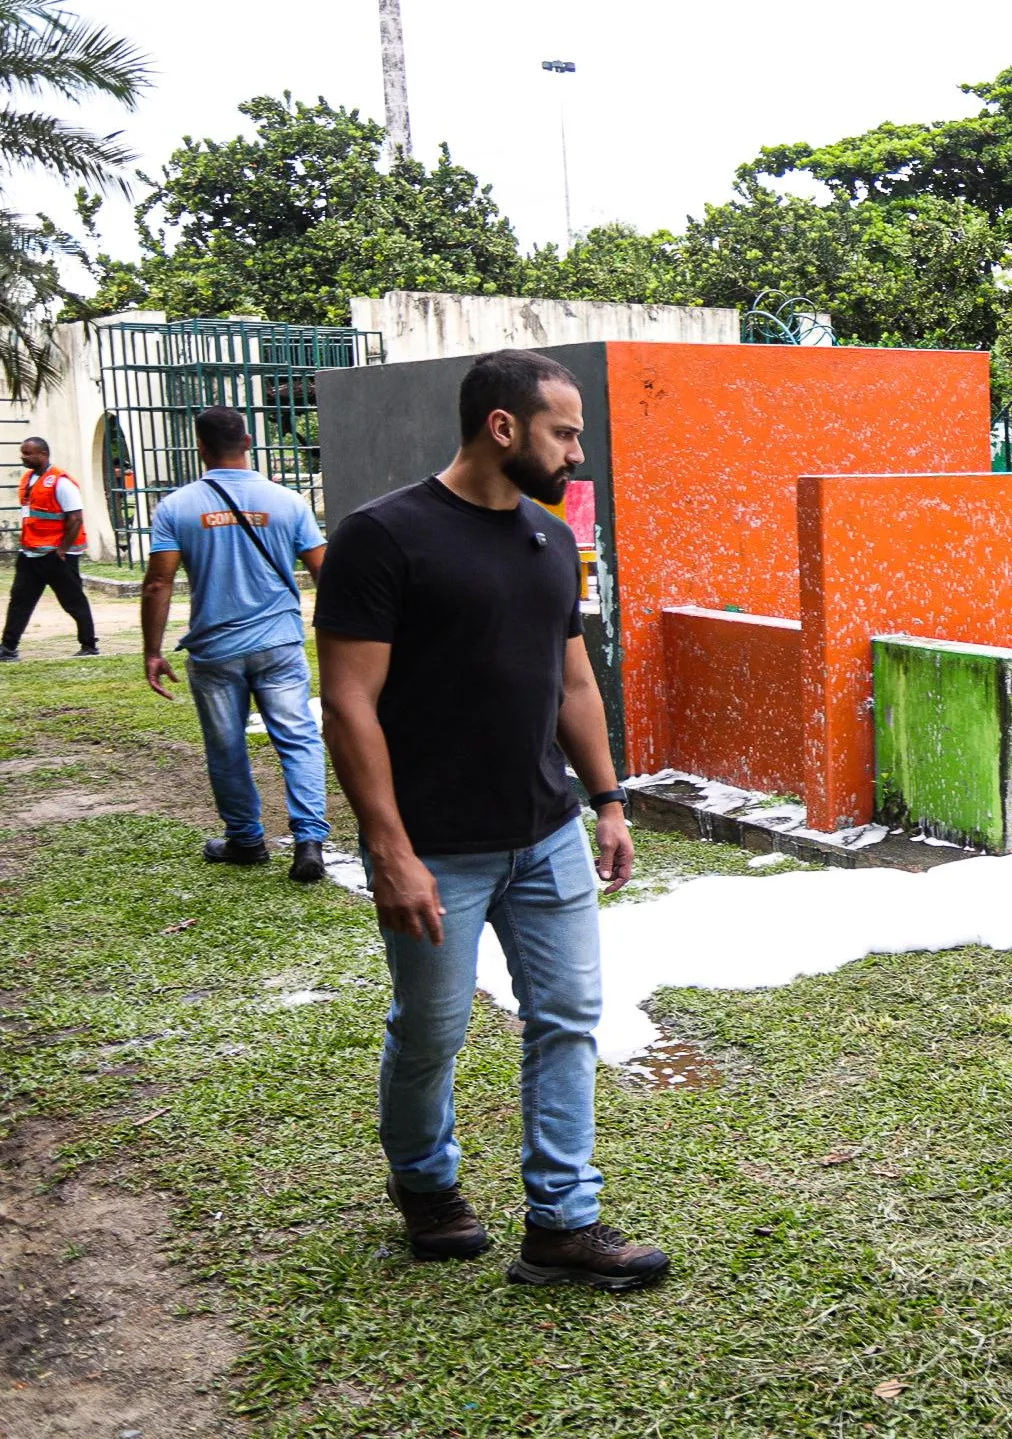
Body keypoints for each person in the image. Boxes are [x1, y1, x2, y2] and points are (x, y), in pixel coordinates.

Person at [315, 347, 667, 1292]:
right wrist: (389, 850)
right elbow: (347, 703)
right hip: (437, 847)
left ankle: (562, 1221)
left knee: (566, 1021)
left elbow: (574, 680)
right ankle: (426, 1185)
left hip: (547, 833)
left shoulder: (552, 541)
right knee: (432, 1030)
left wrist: (607, 799)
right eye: (565, 433)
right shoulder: (381, 537)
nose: (577, 454)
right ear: (502, 427)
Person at [142, 408, 331, 882]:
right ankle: (309, 840)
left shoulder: (176, 507)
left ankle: (246, 840)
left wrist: (152, 650)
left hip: (215, 649)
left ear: (200, 447)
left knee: (226, 746)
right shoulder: (288, 501)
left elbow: (158, 583)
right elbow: (323, 569)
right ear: (248, 440)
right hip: (279, 644)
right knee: (299, 739)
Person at [2, 436, 99, 660]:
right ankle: (8, 648)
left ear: (43, 455)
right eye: (22, 452)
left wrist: (62, 550)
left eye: (27, 453)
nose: (23, 457)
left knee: (73, 601)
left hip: (56, 556)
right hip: (30, 553)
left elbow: (75, 518)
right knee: (20, 600)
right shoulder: (28, 479)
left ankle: (89, 645)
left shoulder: (61, 482)